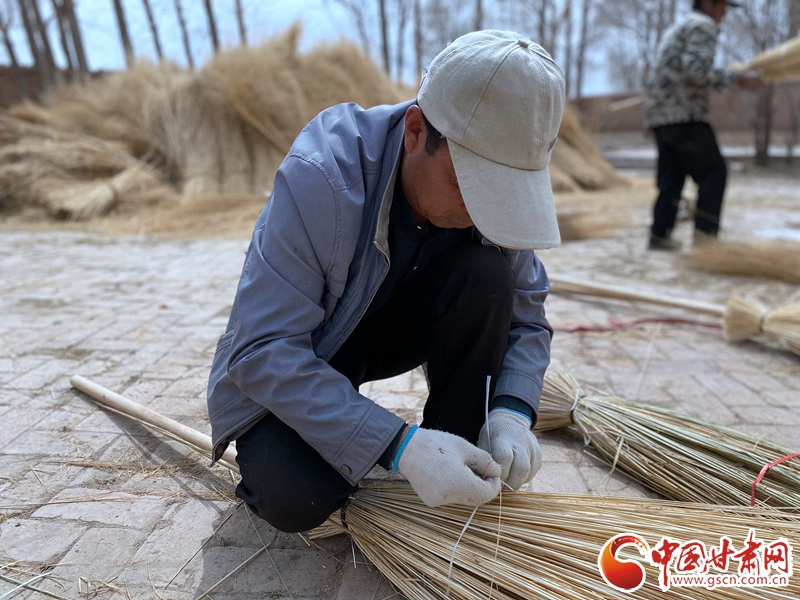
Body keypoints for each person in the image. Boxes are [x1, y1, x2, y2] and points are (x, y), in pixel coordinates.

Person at [206, 30, 566, 533]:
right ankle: (417, 456)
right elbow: (262, 350)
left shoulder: (493, 204)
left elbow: (527, 317)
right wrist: (397, 446)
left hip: (399, 324)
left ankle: (455, 448)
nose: (482, 212)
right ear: (415, 131)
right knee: (294, 496)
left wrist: (510, 409)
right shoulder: (323, 179)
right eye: (471, 186)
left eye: (503, 194)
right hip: (312, 352)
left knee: (486, 276)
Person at [643, 0, 763, 251]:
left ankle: (659, 236)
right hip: (684, 114)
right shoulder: (702, 25)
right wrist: (737, 78)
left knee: (672, 178)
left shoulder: (680, 26)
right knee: (714, 173)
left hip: (660, 117)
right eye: (724, 7)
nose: (725, 14)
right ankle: (706, 244)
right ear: (710, 3)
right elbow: (696, 70)